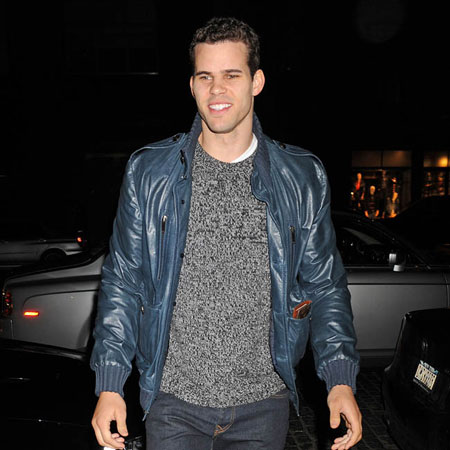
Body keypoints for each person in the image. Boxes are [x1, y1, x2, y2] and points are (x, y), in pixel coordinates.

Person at [90, 17, 362, 450]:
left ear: (257, 81)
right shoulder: (149, 173)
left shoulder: (301, 177)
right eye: (205, 77)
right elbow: (123, 281)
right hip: (172, 402)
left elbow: (325, 285)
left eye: (231, 75)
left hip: (263, 403)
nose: (217, 90)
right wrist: (110, 383)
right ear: (192, 86)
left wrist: (339, 379)